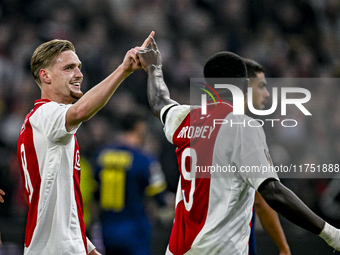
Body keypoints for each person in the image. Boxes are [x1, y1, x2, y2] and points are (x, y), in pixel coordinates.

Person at [136, 36, 340, 255]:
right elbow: (272, 191)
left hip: (178, 250)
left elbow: (159, 101)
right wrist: (331, 234)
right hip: (219, 250)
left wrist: (154, 67)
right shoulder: (243, 126)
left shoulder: (184, 116)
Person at [16, 31, 154, 255]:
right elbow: (80, 111)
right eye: (68, 68)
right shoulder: (45, 114)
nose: (79, 74)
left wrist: (88, 249)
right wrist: (123, 70)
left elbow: (62, 205)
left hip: (63, 246)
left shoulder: (48, 125)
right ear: (46, 76)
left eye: (78, 66)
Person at [93, 111, 170, 255]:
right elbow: (161, 197)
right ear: (139, 128)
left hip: (107, 229)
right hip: (136, 230)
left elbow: (95, 192)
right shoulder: (145, 160)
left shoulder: (101, 155)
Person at [243, 58, 291, 255]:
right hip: (231, 244)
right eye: (261, 86)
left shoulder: (199, 123)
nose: (267, 94)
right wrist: (283, 247)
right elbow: (261, 200)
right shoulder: (247, 132)